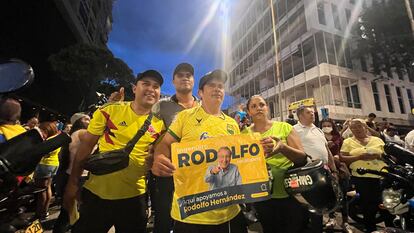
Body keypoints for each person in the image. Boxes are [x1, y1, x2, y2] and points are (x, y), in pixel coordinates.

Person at [63, 70, 165, 233]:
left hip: (135, 198)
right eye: (145, 84)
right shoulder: (109, 110)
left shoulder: (160, 125)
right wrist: (73, 182)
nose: (151, 89)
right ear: (134, 88)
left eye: (156, 86)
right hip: (97, 194)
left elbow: (157, 157)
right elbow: (86, 146)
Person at [152, 69, 247, 233]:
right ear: (200, 93)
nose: (217, 89)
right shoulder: (184, 117)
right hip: (191, 210)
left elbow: (238, 160)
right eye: (211, 85)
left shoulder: (232, 124)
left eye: (220, 86)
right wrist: (158, 157)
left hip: (228, 211)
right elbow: (165, 144)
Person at [242, 95, 308, 233]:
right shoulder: (243, 134)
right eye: (253, 106)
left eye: (261, 104)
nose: (258, 108)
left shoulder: (284, 127)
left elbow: (302, 158)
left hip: (290, 193)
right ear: (248, 112)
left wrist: (282, 148)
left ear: (267, 108)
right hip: (261, 196)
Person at [150, 62, 199, 233]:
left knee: (194, 219)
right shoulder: (161, 106)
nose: (185, 77)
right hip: (168, 171)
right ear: (173, 81)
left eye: (189, 75)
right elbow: (149, 134)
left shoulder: (204, 107)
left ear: (193, 81)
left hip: (197, 173)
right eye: (180, 75)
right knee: (164, 217)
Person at [340, 119, 392, 232]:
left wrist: (378, 156)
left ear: (365, 126)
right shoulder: (348, 142)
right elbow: (342, 158)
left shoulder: (377, 140)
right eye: (353, 127)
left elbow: (389, 157)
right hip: (362, 177)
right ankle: (370, 229)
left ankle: (391, 228)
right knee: (368, 206)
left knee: (387, 204)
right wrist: (358, 157)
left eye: (359, 126)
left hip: (382, 176)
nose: (356, 129)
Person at [293, 106, 338, 233]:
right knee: (308, 207)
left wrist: (333, 170)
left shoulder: (318, 130)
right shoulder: (294, 130)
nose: (312, 114)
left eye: (313, 112)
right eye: (308, 112)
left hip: (323, 171)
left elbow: (327, 151)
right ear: (300, 115)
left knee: (320, 206)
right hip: (306, 173)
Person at [53, 113, 90, 233]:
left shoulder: (73, 134)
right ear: (78, 121)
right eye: (86, 119)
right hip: (78, 178)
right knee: (72, 212)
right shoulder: (81, 133)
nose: (90, 121)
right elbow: (97, 135)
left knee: (68, 212)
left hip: (71, 175)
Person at [319, 118, 352, 232]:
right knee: (329, 195)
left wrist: (338, 156)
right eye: (324, 125)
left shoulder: (338, 137)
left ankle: (345, 221)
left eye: (329, 125)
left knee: (343, 195)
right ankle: (331, 218)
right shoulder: (318, 136)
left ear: (332, 126)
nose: (326, 127)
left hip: (339, 167)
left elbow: (342, 150)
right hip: (325, 168)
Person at [34, 121, 61, 220]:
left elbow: (44, 153)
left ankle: (39, 213)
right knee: (47, 188)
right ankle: (45, 211)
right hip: (53, 164)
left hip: (45, 165)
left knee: (41, 190)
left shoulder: (49, 140)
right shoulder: (57, 138)